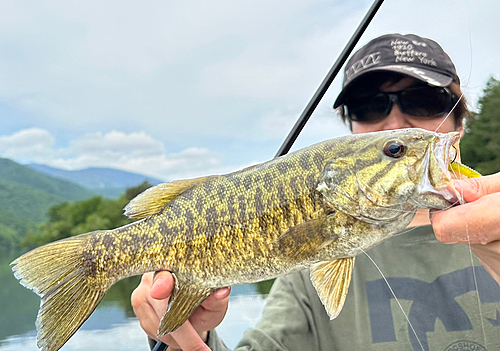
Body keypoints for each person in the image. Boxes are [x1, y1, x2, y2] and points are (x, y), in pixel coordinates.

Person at [131, 34, 500, 351]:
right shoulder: (306, 270)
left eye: (423, 101)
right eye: (369, 107)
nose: (394, 122)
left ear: (459, 123)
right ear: (349, 129)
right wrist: (194, 336)